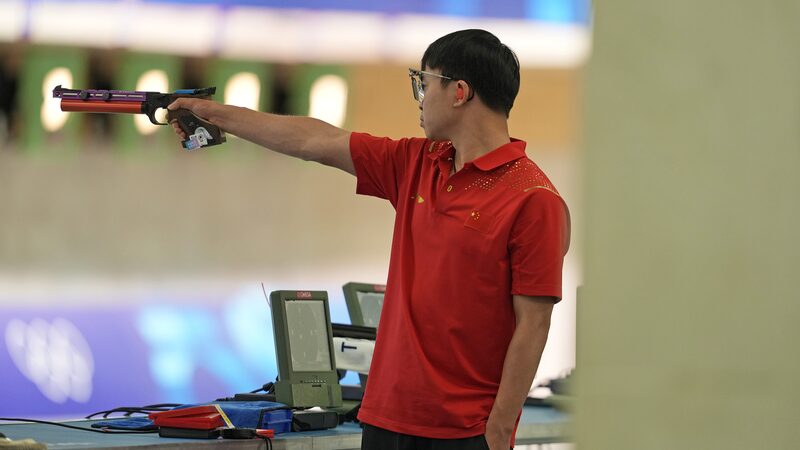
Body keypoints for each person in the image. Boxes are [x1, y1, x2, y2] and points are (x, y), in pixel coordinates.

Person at [169, 29, 570, 450]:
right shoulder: (416, 161)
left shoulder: (534, 200)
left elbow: (533, 324)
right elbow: (313, 140)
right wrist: (214, 114)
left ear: (459, 92)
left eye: (424, 82)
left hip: (465, 433)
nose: (420, 97)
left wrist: (499, 431)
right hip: (384, 419)